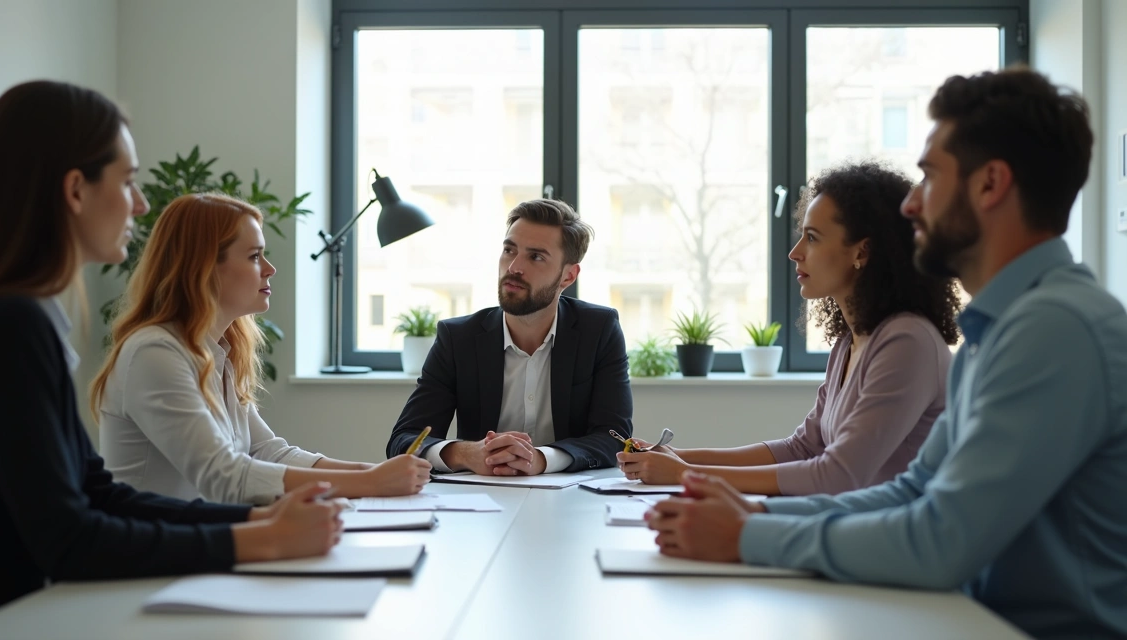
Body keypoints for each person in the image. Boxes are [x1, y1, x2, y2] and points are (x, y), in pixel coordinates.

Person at [645, 67, 1127, 639]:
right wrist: (753, 514)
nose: (910, 206)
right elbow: (911, 491)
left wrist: (747, 534)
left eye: (928, 177)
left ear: (990, 184)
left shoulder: (1055, 329)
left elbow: (941, 539)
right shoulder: (996, 331)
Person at [0, 81, 342, 640]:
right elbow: (70, 539)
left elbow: (99, 494)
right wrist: (264, 539)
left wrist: (258, 518)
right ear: (75, 190)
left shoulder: (13, 317)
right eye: (129, 181)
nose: (140, 204)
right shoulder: (9, 326)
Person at [617, 161, 961, 495]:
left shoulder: (907, 341)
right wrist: (674, 458)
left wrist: (686, 474)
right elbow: (802, 448)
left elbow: (838, 476)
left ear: (863, 251)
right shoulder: (849, 342)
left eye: (812, 238)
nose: (795, 253)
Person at [93, 193, 430, 504]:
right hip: (157, 561)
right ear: (204, 267)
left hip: (203, 544)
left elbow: (267, 452)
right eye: (255, 256)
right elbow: (224, 476)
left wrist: (370, 472)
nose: (270, 269)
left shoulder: (218, 352)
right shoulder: (154, 354)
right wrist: (372, 484)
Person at [386, 199, 633, 475]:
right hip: (481, 501)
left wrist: (540, 458)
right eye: (509, 250)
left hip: (571, 500)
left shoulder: (598, 330)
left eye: (536, 256)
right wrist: (468, 453)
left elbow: (614, 437)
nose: (514, 266)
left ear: (568, 276)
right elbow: (404, 441)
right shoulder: (458, 339)